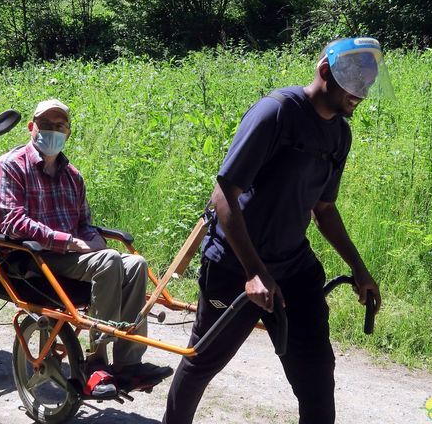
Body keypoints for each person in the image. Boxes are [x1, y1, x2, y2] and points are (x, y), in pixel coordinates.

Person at [162, 37, 392, 423]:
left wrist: (360, 269)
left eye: (368, 81)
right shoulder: (277, 113)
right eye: (355, 80)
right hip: (235, 265)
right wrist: (253, 271)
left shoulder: (340, 134)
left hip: (292, 264)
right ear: (325, 71)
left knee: (316, 373)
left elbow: (324, 209)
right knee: (203, 360)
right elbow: (224, 195)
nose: (362, 91)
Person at [0, 98, 172, 391]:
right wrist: (69, 242)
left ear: (68, 132)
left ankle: (128, 362)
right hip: (32, 256)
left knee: (136, 264)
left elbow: (83, 221)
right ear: (32, 127)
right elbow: (12, 222)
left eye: (59, 126)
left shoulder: (73, 175)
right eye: (45, 125)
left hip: (67, 255)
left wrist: (90, 237)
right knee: (109, 260)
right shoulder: (11, 166)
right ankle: (96, 360)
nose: (52, 131)